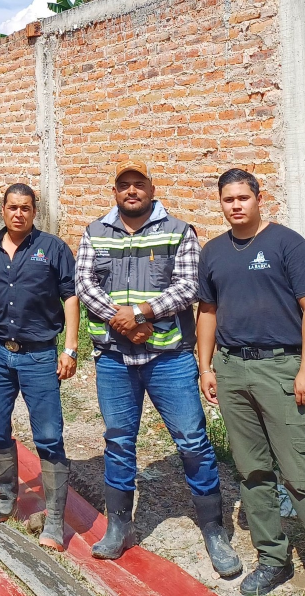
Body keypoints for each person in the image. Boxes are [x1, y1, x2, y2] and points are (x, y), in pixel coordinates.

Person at [75, 159, 240, 577]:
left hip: (170, 358)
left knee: (192, 440)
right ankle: (119, 527)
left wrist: (144, 312)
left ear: (151, 187)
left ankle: (213, 531)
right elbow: (85, 284)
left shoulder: (180, 232)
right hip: (114, 357)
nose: (132, 191)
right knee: (118, 440)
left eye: (139, 184)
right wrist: (123, 321)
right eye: (123, 185)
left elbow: (188, 287)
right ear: (114, 191)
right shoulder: (95, 232)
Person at [197, 169, 305, 596]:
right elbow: (207, 312)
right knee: (253, 472)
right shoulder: (213, 252)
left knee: (304, 476)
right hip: (231, 370)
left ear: (259, 199)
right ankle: (272, 559)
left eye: (243, 197)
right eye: (228, 200)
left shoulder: (286, 243)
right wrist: (206, 367)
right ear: (221, 203)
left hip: (281, 370)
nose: (236, 206)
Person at [0, 183, 80, 551]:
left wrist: (71, 350)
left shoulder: (53, 249)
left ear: (34, 211)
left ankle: (55, 520)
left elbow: (71, 297)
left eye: (25, 208)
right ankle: (5, 500)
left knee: (48, 435)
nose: (18, 214)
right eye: (13, 207)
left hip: (40, 356)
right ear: (3, 210)